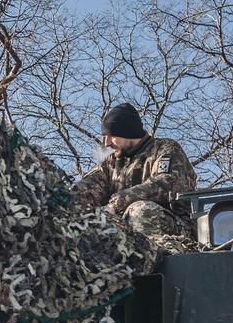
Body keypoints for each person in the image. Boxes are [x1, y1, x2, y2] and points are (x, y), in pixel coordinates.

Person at [71, 102, 196, 240]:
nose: (106, 143)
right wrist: (66, 197)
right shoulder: (110, 164)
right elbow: (89, 186)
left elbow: (166, 184)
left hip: (176, 228)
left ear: (127, 132)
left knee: (139, 211)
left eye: (111, 135)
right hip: (125, 229)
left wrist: (117, 204)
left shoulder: (165, 149)